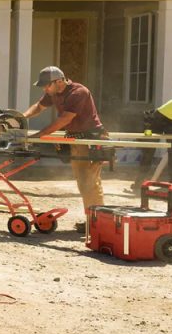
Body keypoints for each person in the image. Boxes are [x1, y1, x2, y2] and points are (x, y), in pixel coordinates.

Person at [22, 66, 108, 233]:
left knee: (91, 182)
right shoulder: (54, 93)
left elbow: (64, 119)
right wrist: (22, 117)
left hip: (91, 138)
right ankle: (92, 220)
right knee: (82, 181)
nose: (45, 89)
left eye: (47, 85)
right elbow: (39, 107)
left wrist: (40, 135)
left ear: (59, 81)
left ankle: (98, 223)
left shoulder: (78, 92)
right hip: (76, 138)